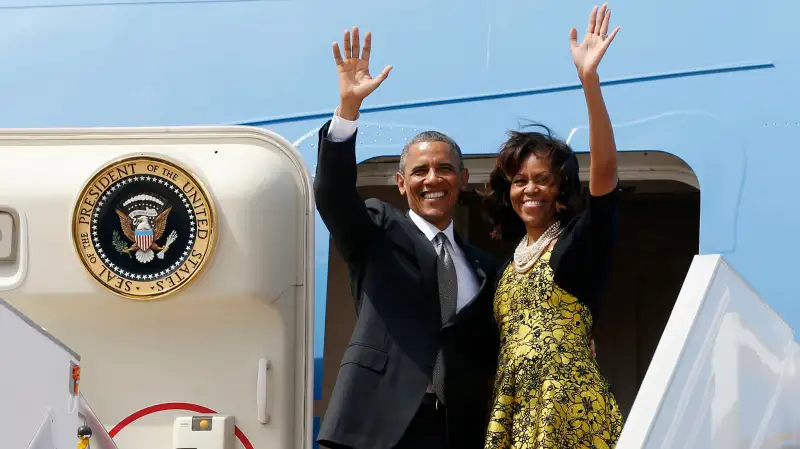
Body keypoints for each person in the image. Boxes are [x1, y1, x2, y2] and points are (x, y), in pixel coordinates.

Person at [313, 27, 500, 449]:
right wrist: (348, 109)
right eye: (420, 171)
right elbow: (333, 196)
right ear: (401, 183)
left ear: (462, 180)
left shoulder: (484, 268)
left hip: (454, 431)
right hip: (374, 427)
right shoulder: (378, 229)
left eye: (444, 169)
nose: (432, 179)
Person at [481, 4, 624, 449]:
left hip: (570, 410)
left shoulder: (579, 243)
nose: (529, 190)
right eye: (520, 181)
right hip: (515, 410)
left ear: (561, 190)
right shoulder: (507, 267)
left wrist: (590, 84)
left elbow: (605, 177)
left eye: (542, 180)